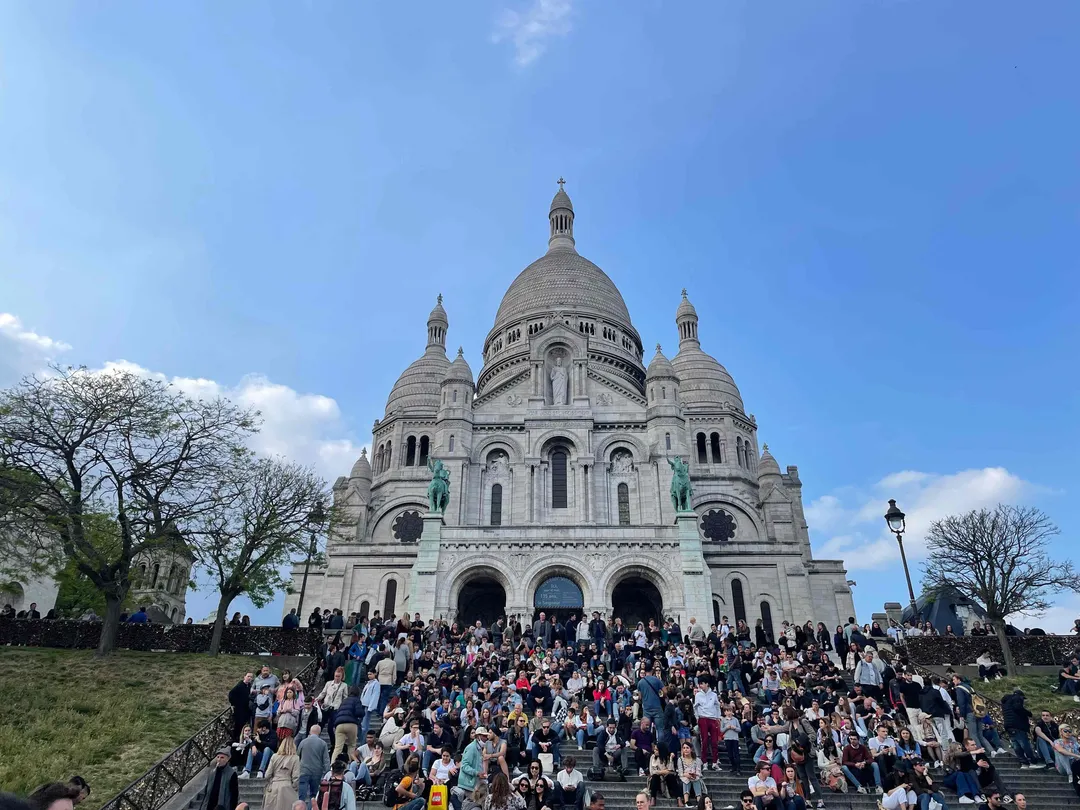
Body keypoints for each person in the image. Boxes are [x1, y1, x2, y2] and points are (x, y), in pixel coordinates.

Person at [1000, 689, 1038, 767]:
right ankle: (1032, 760)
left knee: (1016, 746)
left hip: (1009, 726)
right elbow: (1018, 708)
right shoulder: (1017, 698)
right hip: (1018, 725)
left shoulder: (1006, 702)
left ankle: (1023, 762)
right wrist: (1028, 713)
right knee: (1024, 744)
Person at [262, 735, 300, 810]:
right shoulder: (295, 758)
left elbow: (267, 774)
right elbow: (296, 776)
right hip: (287, 786)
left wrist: (271, 782)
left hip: (274, 786)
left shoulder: (274, 756)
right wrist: (294, 788)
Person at [693, 680, 722, 771]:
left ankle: (715, 762)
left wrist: (718, 717)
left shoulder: (713, 695)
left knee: (714, 741)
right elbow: (695, 707)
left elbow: (717, 706)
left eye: (702, 683)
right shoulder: (698, 695)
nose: (701, 685)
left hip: (713, 719)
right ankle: (704, 762)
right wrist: (697, 717)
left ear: (707, 684)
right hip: (703, 718)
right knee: (704, 741)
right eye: (700, 684)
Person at [297, 725, 331, 802]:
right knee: (314, 794)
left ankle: (301, 805)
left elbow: (298, 755)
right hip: (317, 771)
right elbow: (326, 760)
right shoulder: (323, 743)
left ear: (310, 731)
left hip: (304, 770)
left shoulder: (303, 742)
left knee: (301, 794)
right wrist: (327, 772)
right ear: (319, 732)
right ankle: (311, 807)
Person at [332, 686, 363, 762]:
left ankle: (332, 765)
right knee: (351, 745)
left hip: (339, 724)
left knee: (338, 747)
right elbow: (359, 712)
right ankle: (349, 765)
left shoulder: (344, 701)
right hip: (351, 724)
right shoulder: (357, 700)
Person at [647, 743, 681, 807]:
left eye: (657, 750)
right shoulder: (652, 757)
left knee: (671, 777)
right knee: (655, 777)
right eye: (655, 749)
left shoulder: (668, 757)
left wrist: (671, 758)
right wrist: (663, 771)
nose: (655, 751)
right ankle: (653, 798)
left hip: (667, 780)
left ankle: (679, 798)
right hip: (657, 781)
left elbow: (671, 770)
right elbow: (652, 772)